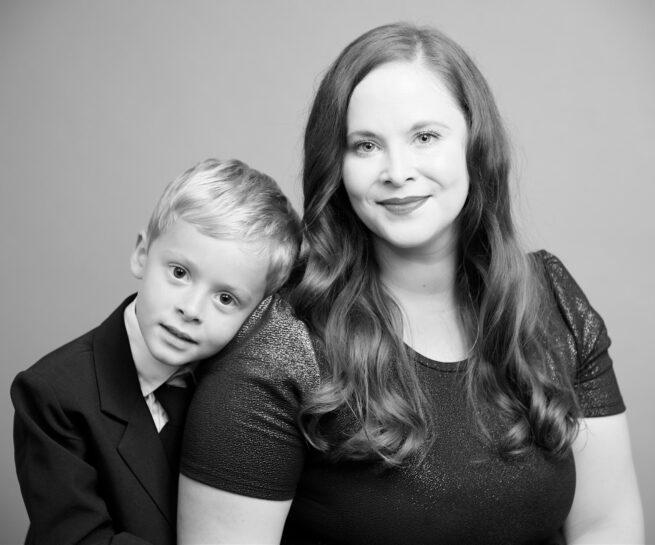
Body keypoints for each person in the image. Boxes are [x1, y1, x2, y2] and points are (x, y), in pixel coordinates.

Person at [178, 24, 644, 545]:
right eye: (366, 145)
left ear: (474, 145)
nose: (397, 171)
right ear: (338, 164)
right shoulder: (278, 347)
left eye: (425, 137)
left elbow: (607, 524)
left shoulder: (551, 301)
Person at [11, 158, 301, 545]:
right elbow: (78, 539)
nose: (191, 309)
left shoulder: (247, 392)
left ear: (258, 312)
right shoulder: (54, 394)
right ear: (142, 254)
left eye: (226, 298)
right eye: (180, 273)